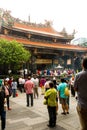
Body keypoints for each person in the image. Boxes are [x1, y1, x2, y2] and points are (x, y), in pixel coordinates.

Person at [74, 56, 87, 130]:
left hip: (83, 105)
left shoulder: (78, 75)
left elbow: (75, 88)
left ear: (82, 64)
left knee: (84, 126)